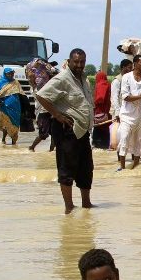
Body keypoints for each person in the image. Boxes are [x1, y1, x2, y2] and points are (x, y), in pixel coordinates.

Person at [35, 48, 96, 214]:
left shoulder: (84, 79)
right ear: (69, 62)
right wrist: (57, 115)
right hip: (66, 130)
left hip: (82, 131)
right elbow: (41, 95)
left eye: (82, 62)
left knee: (86, 168)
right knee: (66, 168)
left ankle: (86, 204)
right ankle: (69, 207)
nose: (79, 65)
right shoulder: (63, 78)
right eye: (76, 62)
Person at [116, 55, 141, 171]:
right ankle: (122, 166)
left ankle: (135, 165)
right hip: (127, 114)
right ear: (135, 64)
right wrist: (139, 97)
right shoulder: (126, 77)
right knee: (124, 137)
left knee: (139, 140)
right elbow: (125, 96)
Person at [26, 58, 59, 152]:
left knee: (54, 132)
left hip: (52, 110)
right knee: (43, 134)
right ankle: (31, 147)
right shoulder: (35, 89)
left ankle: (51, 150)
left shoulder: (47, 80)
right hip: (42, 112)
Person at [0, 68, 24, 146]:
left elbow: (21, 94)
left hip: (16, 107)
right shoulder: (1, 83)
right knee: (5, 123)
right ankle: (3, 139)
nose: (10, 75)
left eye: (12, 74)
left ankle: (14, 142)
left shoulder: (16, 82)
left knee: (15, 124)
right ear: (5, 74)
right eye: (8, 74)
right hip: (4, 107)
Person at [91, 70, 111, 150]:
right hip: (106, 113)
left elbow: (100, 98)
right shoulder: (108, 84)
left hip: (99, 113)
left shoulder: (101, 85)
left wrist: (93, 103)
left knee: (98, 133)